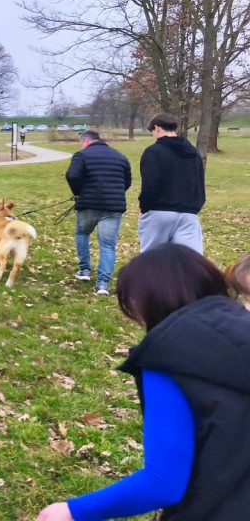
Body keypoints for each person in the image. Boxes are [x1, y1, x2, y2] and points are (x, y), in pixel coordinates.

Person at [36, 243, 250, 521]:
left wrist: (73, 511)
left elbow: (163, 482)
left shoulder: (168, 357)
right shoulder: (242, 325)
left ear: (145, 301)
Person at [65, 130, 132, 295]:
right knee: (108, 245)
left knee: (82, 233)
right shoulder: (120, 157)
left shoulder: (81, 155)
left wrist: (79, 191)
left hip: (88, 204)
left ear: (86, 142)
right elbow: (127, 182)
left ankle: (85, 270)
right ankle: (103, 284)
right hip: (113, 206)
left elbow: (72, 175)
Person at [137, 113, 206, 254]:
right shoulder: (193, 153)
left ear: (156, 128)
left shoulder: (153, 152)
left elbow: (150, 184)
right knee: (189, 261)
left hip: (159, 212)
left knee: (153, 260)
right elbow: (199, 182)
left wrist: (144, 208)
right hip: (189, 213)